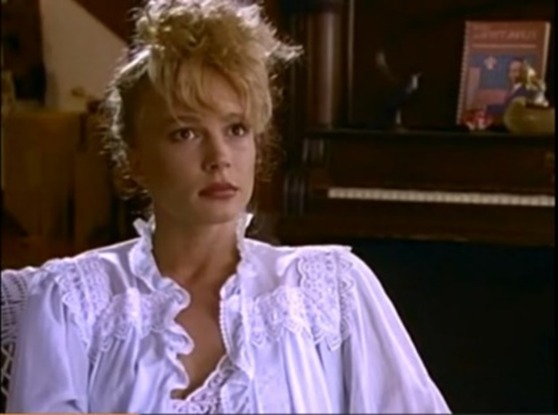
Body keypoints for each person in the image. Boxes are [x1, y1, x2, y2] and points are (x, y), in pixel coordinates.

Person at [1, 0, 451, 412]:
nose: (219, 157)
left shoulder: (332, 289)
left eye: (236, 129)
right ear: (135, 159)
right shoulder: (73, 302)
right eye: (185, 133)